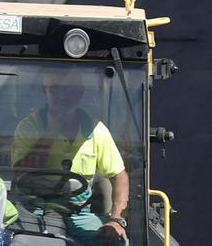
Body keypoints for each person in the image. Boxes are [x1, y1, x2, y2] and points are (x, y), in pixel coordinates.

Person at [12, 71, 129, 245]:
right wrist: (51, 131)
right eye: (55, 90)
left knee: (115, 242)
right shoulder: (30, 127)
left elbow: (120, 176)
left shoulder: (96, 130)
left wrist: (116, 219)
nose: (62, 97)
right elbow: (20, 172)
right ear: (45, 92)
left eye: (69, 91)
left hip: (80, 212)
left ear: (80, 93)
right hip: (35, 208)